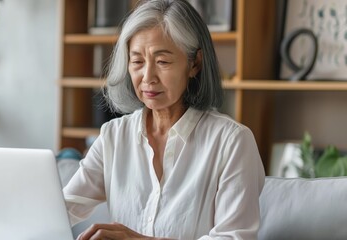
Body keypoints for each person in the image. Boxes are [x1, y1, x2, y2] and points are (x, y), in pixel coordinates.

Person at [63, 0, 265, 239]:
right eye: (137, 61)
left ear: (195, 64)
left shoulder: (232, 142)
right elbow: (62, 209)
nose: (148, 77)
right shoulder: (114, 136)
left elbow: (234, 237)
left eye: (162, 62)